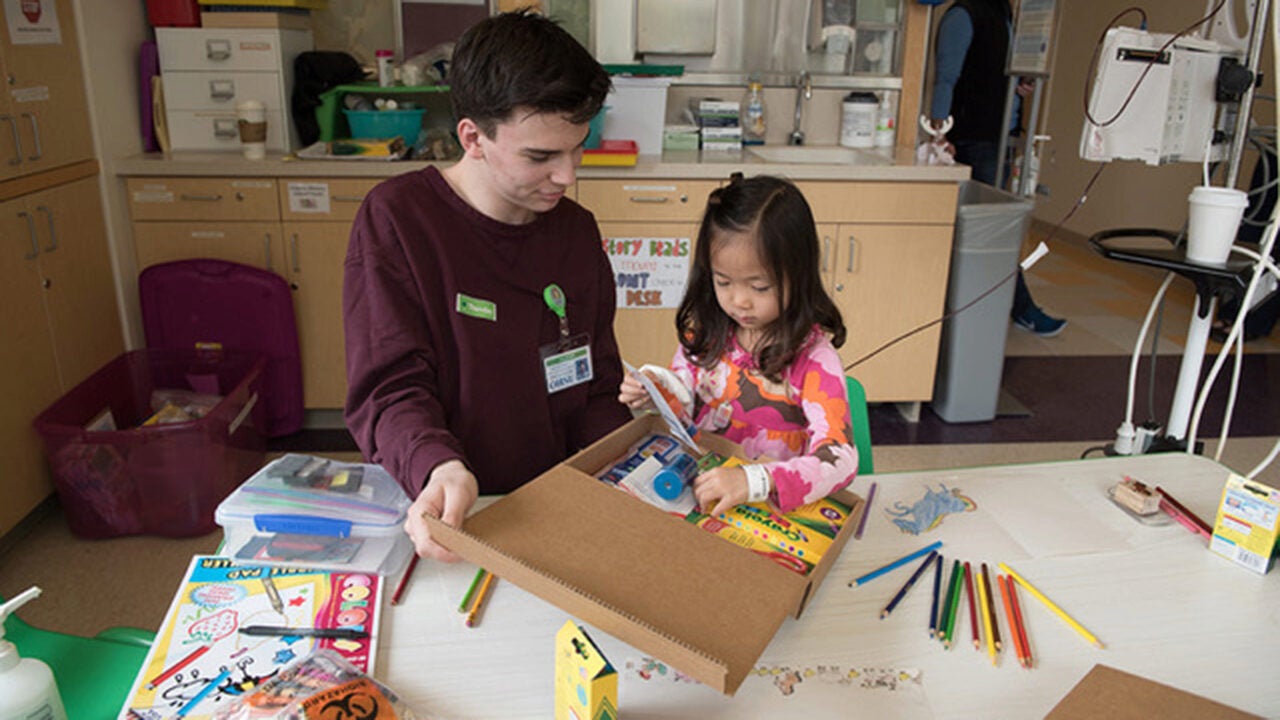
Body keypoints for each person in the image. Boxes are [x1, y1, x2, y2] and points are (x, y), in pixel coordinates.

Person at [343, 11, 631, 562]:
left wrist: (625, 466)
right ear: (473, 137)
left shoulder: (574, 232)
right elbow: (390, 389)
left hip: (557, 509)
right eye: (541, 156)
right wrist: (438, 465)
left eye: (578, 147)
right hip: (446, 510)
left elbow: (595, 386)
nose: (568, 176)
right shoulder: (399, 220)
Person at [618, 175, 859, 517]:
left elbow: (841, 458)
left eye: (760, 287)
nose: (739, 301)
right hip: (704, 494)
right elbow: (684, 408)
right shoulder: (706, 335)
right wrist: (655, 392)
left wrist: (756, 480)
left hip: (770, 510)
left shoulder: (814, 359)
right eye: (723, 282)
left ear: (799, 275)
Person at [929, 0, 1067, 338]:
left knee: (995, 232)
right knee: (991, 232)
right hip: (974, 139)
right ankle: (1019, 308)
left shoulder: (1003, 13)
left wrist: (1019, 86)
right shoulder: (965, 14)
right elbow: (946, 77)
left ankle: (1001, 307)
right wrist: (938, 133)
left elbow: (996, 71)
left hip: (1001, 135)